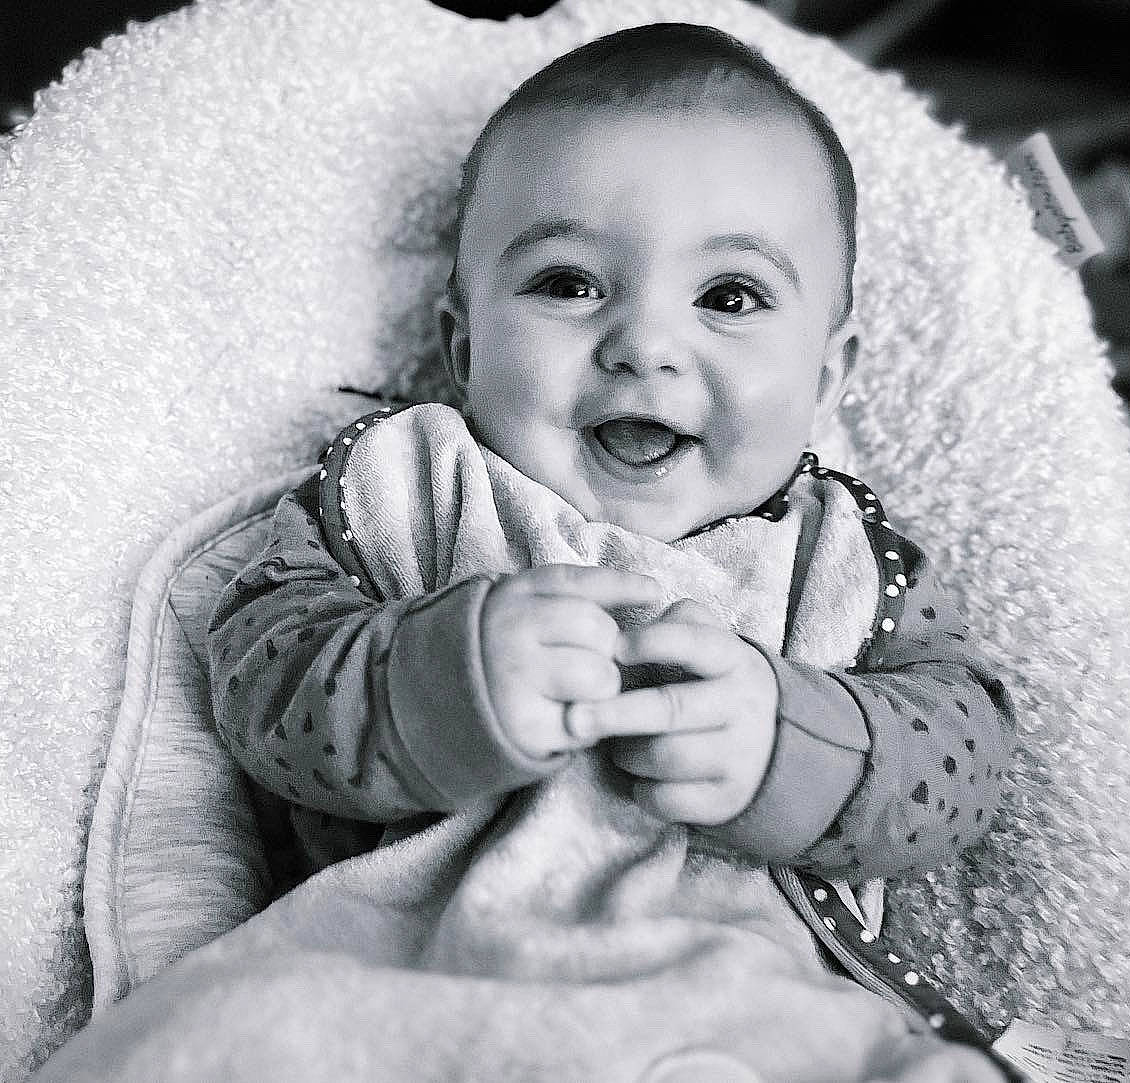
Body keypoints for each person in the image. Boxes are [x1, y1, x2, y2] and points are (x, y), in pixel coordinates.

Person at [208, 22, 1018, 1079]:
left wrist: (793, 743)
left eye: (729, 298)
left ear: (826, 377)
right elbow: (257, 679)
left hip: (736, 1016)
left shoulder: (837, 562)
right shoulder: (413, 493)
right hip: (400, 992)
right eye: (569, 283)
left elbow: (968, 753)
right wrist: (436, 683)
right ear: (463, 345)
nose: (644, 344)